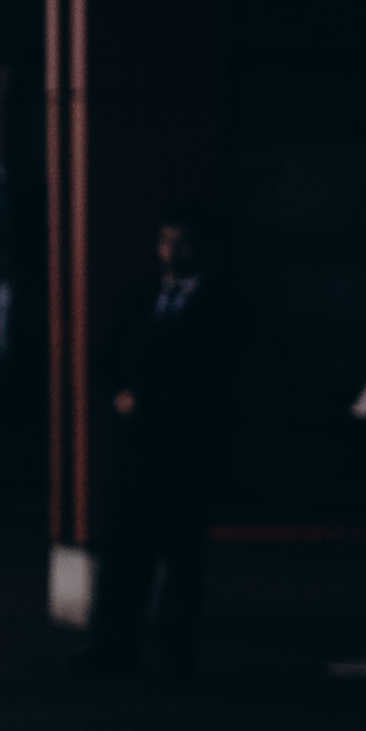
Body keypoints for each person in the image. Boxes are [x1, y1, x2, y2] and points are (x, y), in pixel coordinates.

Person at [99, 218, 242, 677]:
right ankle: (114, 648)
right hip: (136, 445)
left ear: (204, 246)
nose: (172, 250)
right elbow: (109, 356)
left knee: (183, 555)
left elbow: (222, 373)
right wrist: (118, 393)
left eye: (183, 241)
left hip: (188, 447)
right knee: (125, 548)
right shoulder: (139, 298)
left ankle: (176, 651)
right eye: (166, 240)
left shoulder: (224, 306)